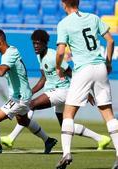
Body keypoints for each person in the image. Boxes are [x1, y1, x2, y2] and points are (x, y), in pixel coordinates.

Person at [0, 29, 111, 151]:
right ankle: (101, 138)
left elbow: (70, 72)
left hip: (62, 90)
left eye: (38, 43)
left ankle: (11, 138)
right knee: (65, 125)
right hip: (55, 91)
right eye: (34, 43)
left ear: (45, 43)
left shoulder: (53, 55)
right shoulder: (39, 56)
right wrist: (31, 91)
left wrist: (86, 90)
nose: (36, 46)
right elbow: (44, 78)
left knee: (31, 105)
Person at [0, 29, 57, 154]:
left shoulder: (9, 54)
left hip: (20, 98)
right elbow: (1, 67)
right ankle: (48, 140)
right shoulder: (10, 51)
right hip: (22, 96)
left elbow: (1, 71)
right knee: (23, 121)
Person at [55, 0, 118, 168]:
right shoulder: (93, 17)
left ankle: (66, 153)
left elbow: (61, 51)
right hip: (100, 66)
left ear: (63, 4)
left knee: (68, 114)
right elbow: (110, 41)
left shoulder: (64, 24)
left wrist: (58, 67)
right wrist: (109, 63)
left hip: (83, 69)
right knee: (108, 114)